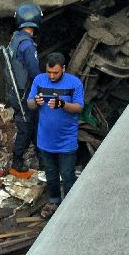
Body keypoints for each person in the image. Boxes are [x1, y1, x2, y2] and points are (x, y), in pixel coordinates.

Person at [26, 52, 84, 217]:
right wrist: (35, 102)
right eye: (49, 72)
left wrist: (63, 104)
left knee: (67, 175)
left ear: (63, 69)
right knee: (51, 174)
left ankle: (70, 206)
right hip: (45, 139)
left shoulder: (74, 83)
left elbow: (79, 107)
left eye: (55, 73)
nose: (51, 76)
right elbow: (30, 103)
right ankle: (54, 201)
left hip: (67, 140)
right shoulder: (39, 80)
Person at [3, 3, 41, 177]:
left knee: (32, 125)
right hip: (24, 93)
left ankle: (42, 158)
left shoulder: (16, 38)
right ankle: (17, 162)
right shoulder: (27, 45)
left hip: (15, 91)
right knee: (26, 127)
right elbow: (34, 72)